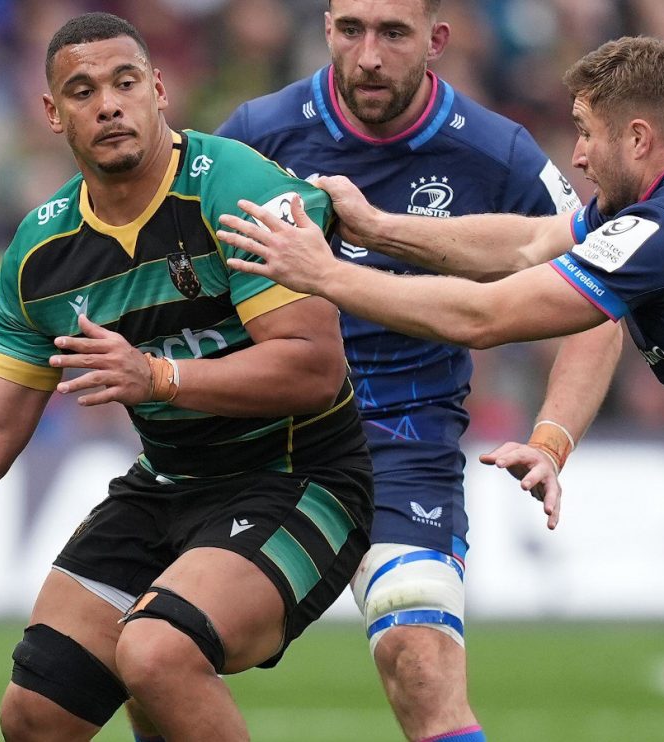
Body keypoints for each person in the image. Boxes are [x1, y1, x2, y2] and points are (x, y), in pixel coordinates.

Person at [217, 35, 664, 742]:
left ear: (637, 138)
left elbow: (484, 316)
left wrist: (327, 274)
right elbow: (526, 243)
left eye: (587, 133)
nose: (578, 155)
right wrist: (379, 229)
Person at [0, 12, 375, 742]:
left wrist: (158, 377)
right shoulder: (40, 254)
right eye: (83, 90)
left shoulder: (237, 188)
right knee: (35, 716)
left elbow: (313, 366)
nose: (109, 105)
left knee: (157, 653)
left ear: (159, 90)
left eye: (126, 83)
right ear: (52, 113)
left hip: (300, 477)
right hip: (169, 483)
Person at [125, 3, 621, 740]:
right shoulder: (259, 134)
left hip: (402, 442)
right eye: (352, 29)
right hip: (262, 441)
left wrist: (552, 438)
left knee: (420, 661)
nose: (369, 56)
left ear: (436, 40)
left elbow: (602, 295)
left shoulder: (497, 153)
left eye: (393, 33)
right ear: (327, 28)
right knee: (155, 663)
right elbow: (179, 272)